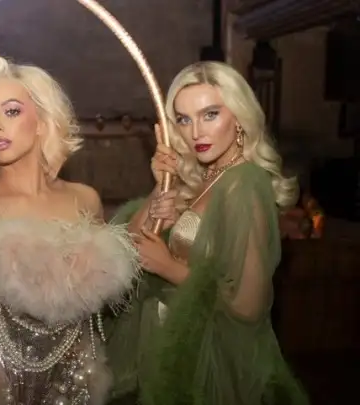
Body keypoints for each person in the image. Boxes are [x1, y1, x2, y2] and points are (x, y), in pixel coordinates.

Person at [0, 51, 140, 405]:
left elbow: (119, 285)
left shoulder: (85, 200)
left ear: (41, 120)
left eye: (11, 111)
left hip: (75, 387)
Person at [105, 61, 309, 405]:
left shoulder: (244, 183)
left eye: (210, 114)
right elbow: (130, 245)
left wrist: (168, 266)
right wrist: (163, 185)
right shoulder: (207, 178)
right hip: (171, 344)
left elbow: (249, 305)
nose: (196, 132)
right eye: (184, 119)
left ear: (239, 117)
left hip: (207, 361)